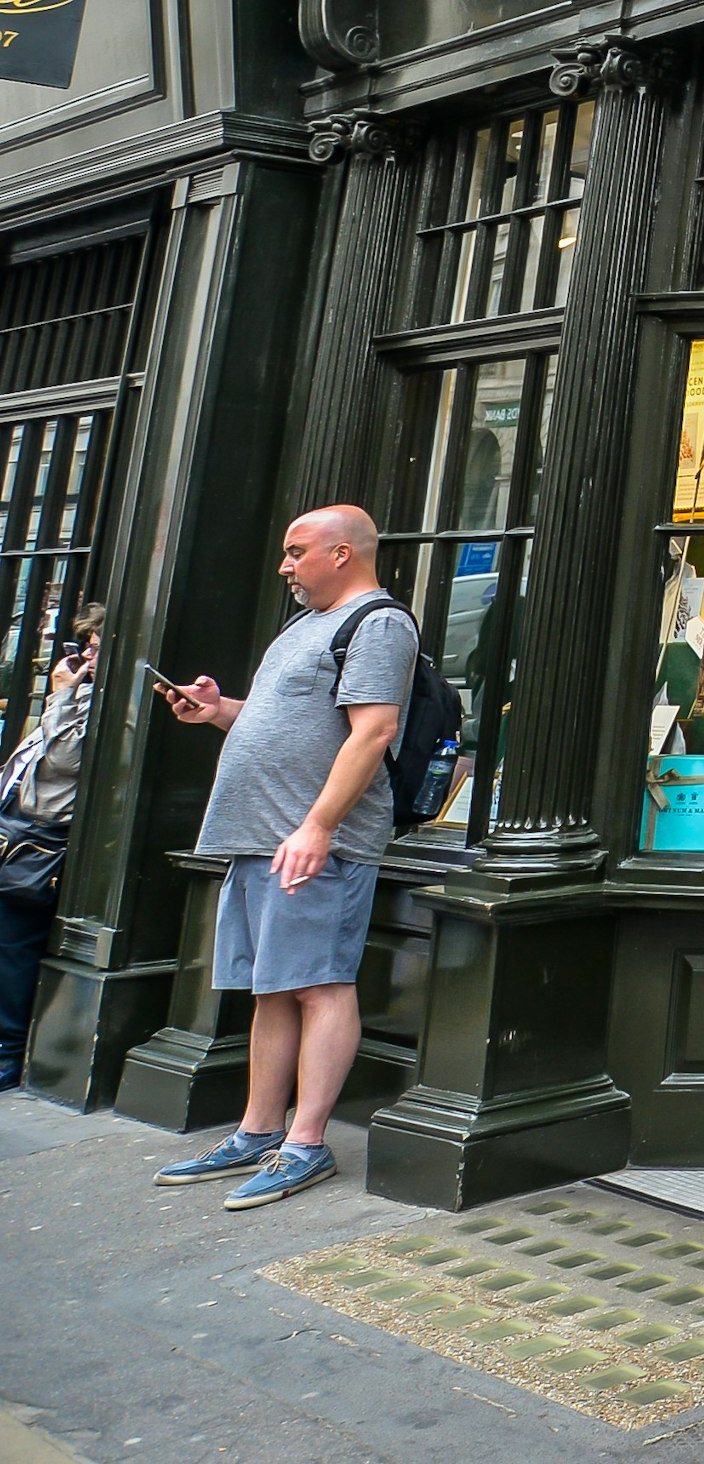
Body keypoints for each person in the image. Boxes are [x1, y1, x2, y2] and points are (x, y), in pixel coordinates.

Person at [148, 506, 415, 1210]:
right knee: (273, 987)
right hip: (261, 837)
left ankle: (306, 1143)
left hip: (313, 843)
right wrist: (218, 711)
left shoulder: (379, 624)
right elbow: (290, 721)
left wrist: (318, 826)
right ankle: (258, 1129)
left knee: (320, 986)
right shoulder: (306, 625)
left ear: (341, 553)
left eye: (296, 553)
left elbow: (375, 729)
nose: (284, 567)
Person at [0, 603, 103, 1091]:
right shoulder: (82, 691)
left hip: (39, 841)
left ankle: (6, 1052)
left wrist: (63, 695)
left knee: (12, 947)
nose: (86, 655)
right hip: (13, 826)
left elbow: (64, 760)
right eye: (85, 646)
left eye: (97, 647)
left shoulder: (97, 699)